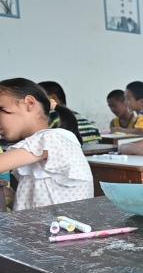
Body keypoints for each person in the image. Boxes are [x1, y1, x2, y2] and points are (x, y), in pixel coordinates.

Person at [0, 78, 93, 210]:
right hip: (43, 222)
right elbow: (37, 196)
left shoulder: (51, 138)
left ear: (29, 103)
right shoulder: (36, 147)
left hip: (62, 223)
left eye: (1, 109)